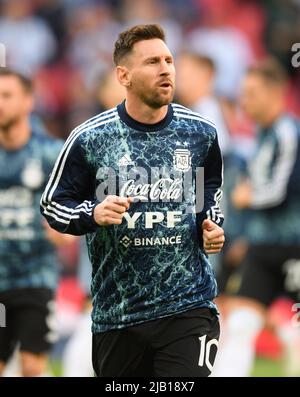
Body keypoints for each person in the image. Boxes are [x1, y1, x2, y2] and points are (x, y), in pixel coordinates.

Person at [41, 24, 225, 377]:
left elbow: (209, 193)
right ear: (123, 75)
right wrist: (93, 213)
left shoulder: (201, 133)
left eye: (169, 60)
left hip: (188, 305)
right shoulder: (90, 138)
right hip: (119, 312)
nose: (165, 69)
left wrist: (212, 225)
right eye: (152, 61)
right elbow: (52, 205)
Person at [212, 59, 300, 377]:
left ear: (275, 92)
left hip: (294, 246)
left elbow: (280, 191)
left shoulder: (289, 133)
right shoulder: (262, 136)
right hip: (263, 249)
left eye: (251, 93)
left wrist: (249, 197)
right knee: (240, 324)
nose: (244, 102)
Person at [0, 68, 73, 377]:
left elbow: (71, 215)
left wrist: (64, 233)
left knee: (32, 366)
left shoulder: (51, 153)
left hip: (35, 275)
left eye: (6, 96)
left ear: (28, 101)